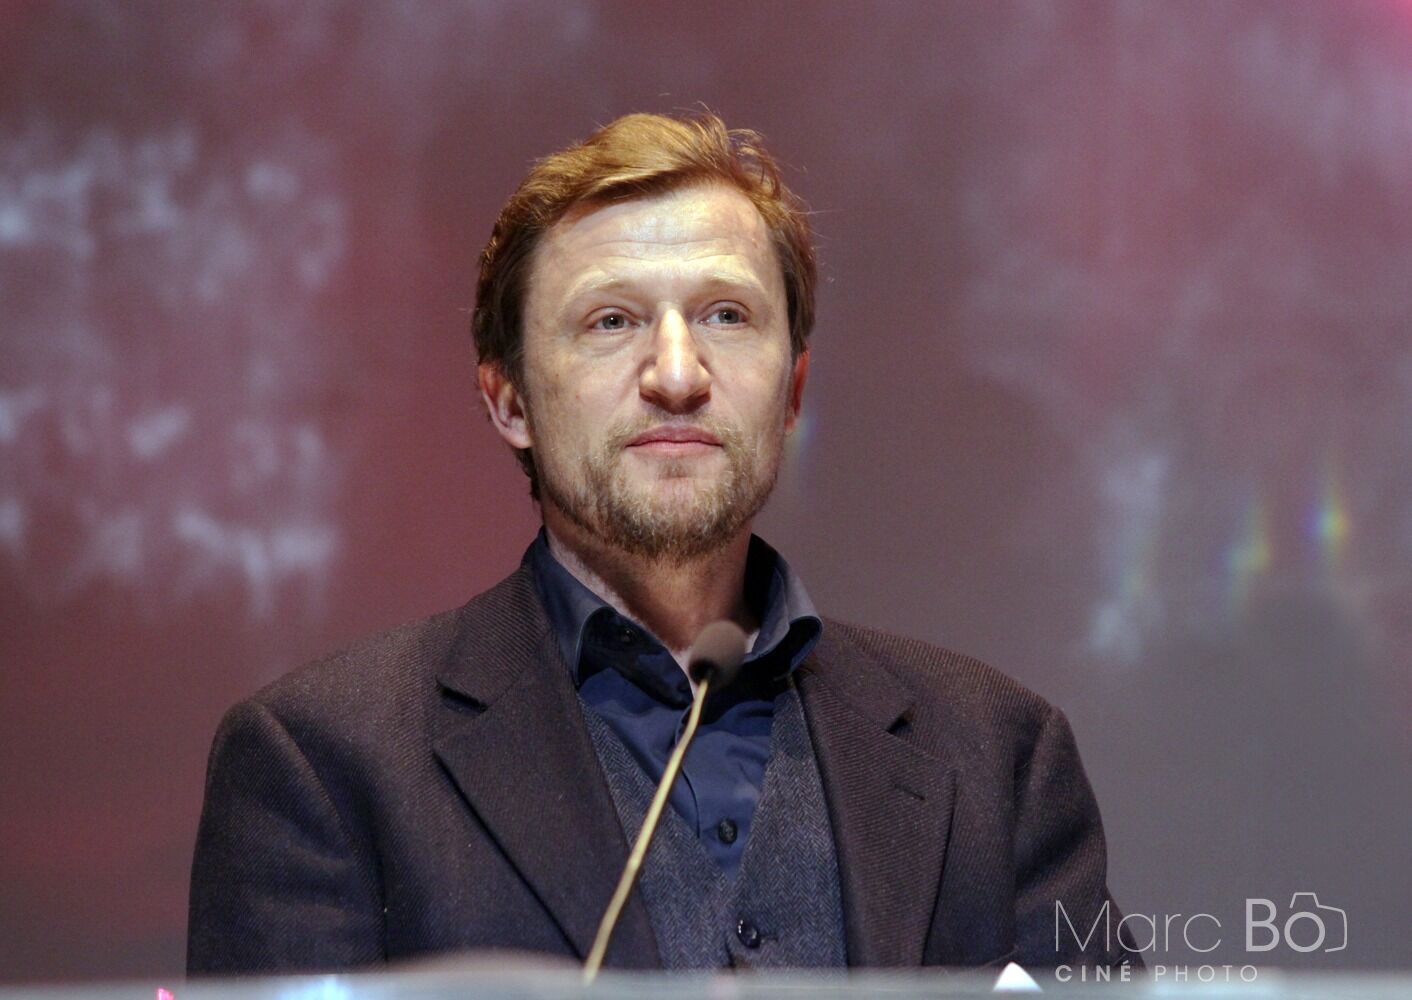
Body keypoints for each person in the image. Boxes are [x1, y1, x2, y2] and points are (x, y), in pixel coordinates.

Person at [187, 111, 1141, 976]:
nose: (678, 375)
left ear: (792, 389)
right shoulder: (321, 762)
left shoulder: (996, 752)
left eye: (727, 316)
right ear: (508, 400)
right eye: (612, 321)